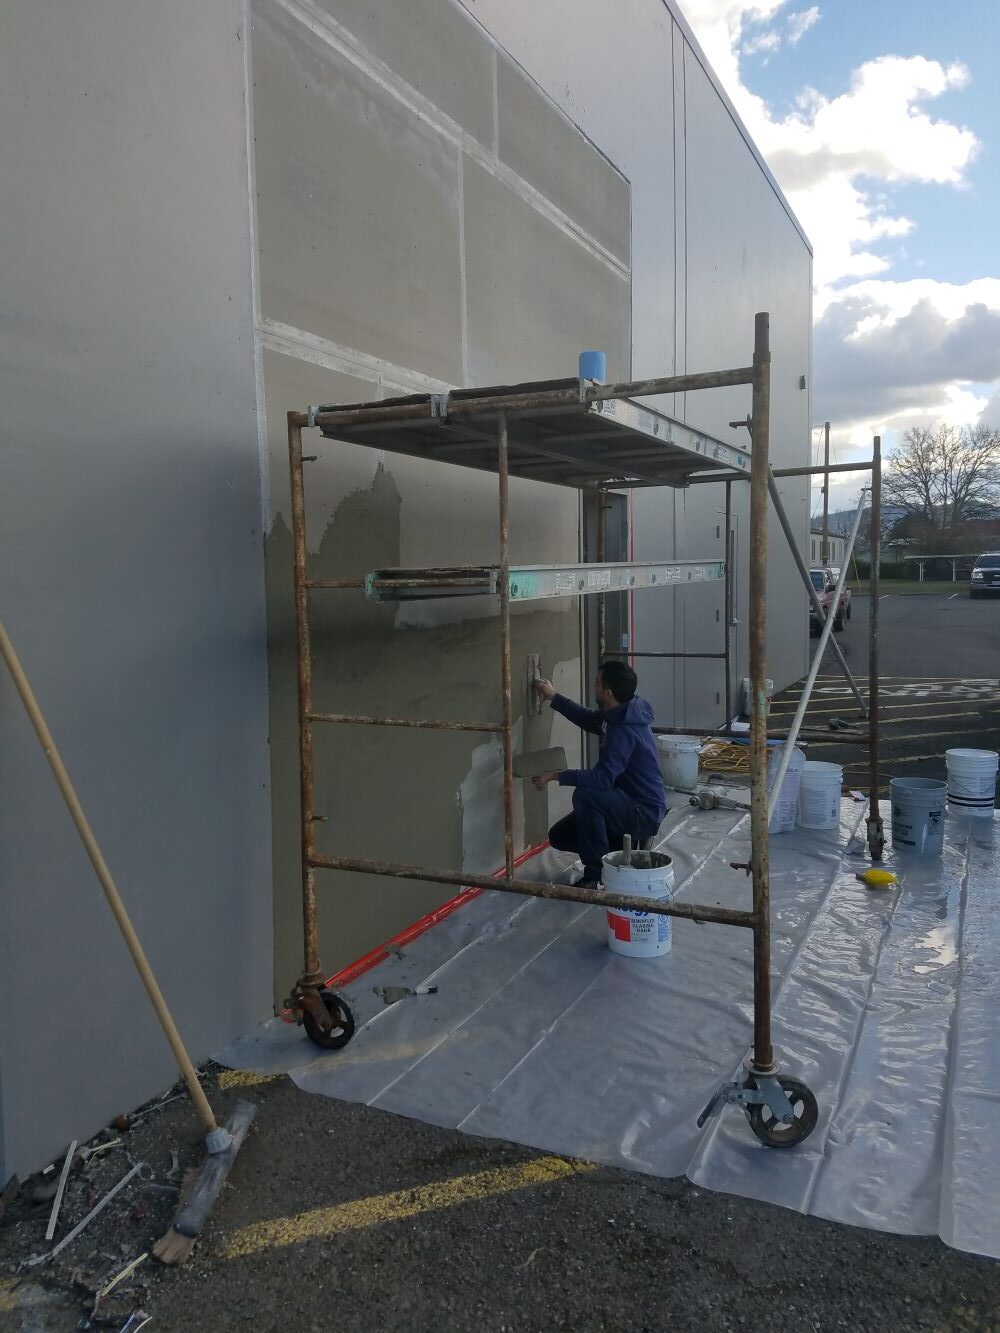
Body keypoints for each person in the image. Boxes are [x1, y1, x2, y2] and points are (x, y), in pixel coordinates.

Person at [533, 661, 667, 889]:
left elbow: (602, 778)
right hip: (626, 800)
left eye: (597, 683)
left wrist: (557, 775)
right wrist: (553, 696)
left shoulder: (624, 729)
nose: (593, 686)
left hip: (643, 812)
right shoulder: (619, 713)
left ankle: (596, 876)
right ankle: (620, 851)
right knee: (560, 836)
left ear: (608, 693)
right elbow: (588, 719)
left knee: (586, 795)